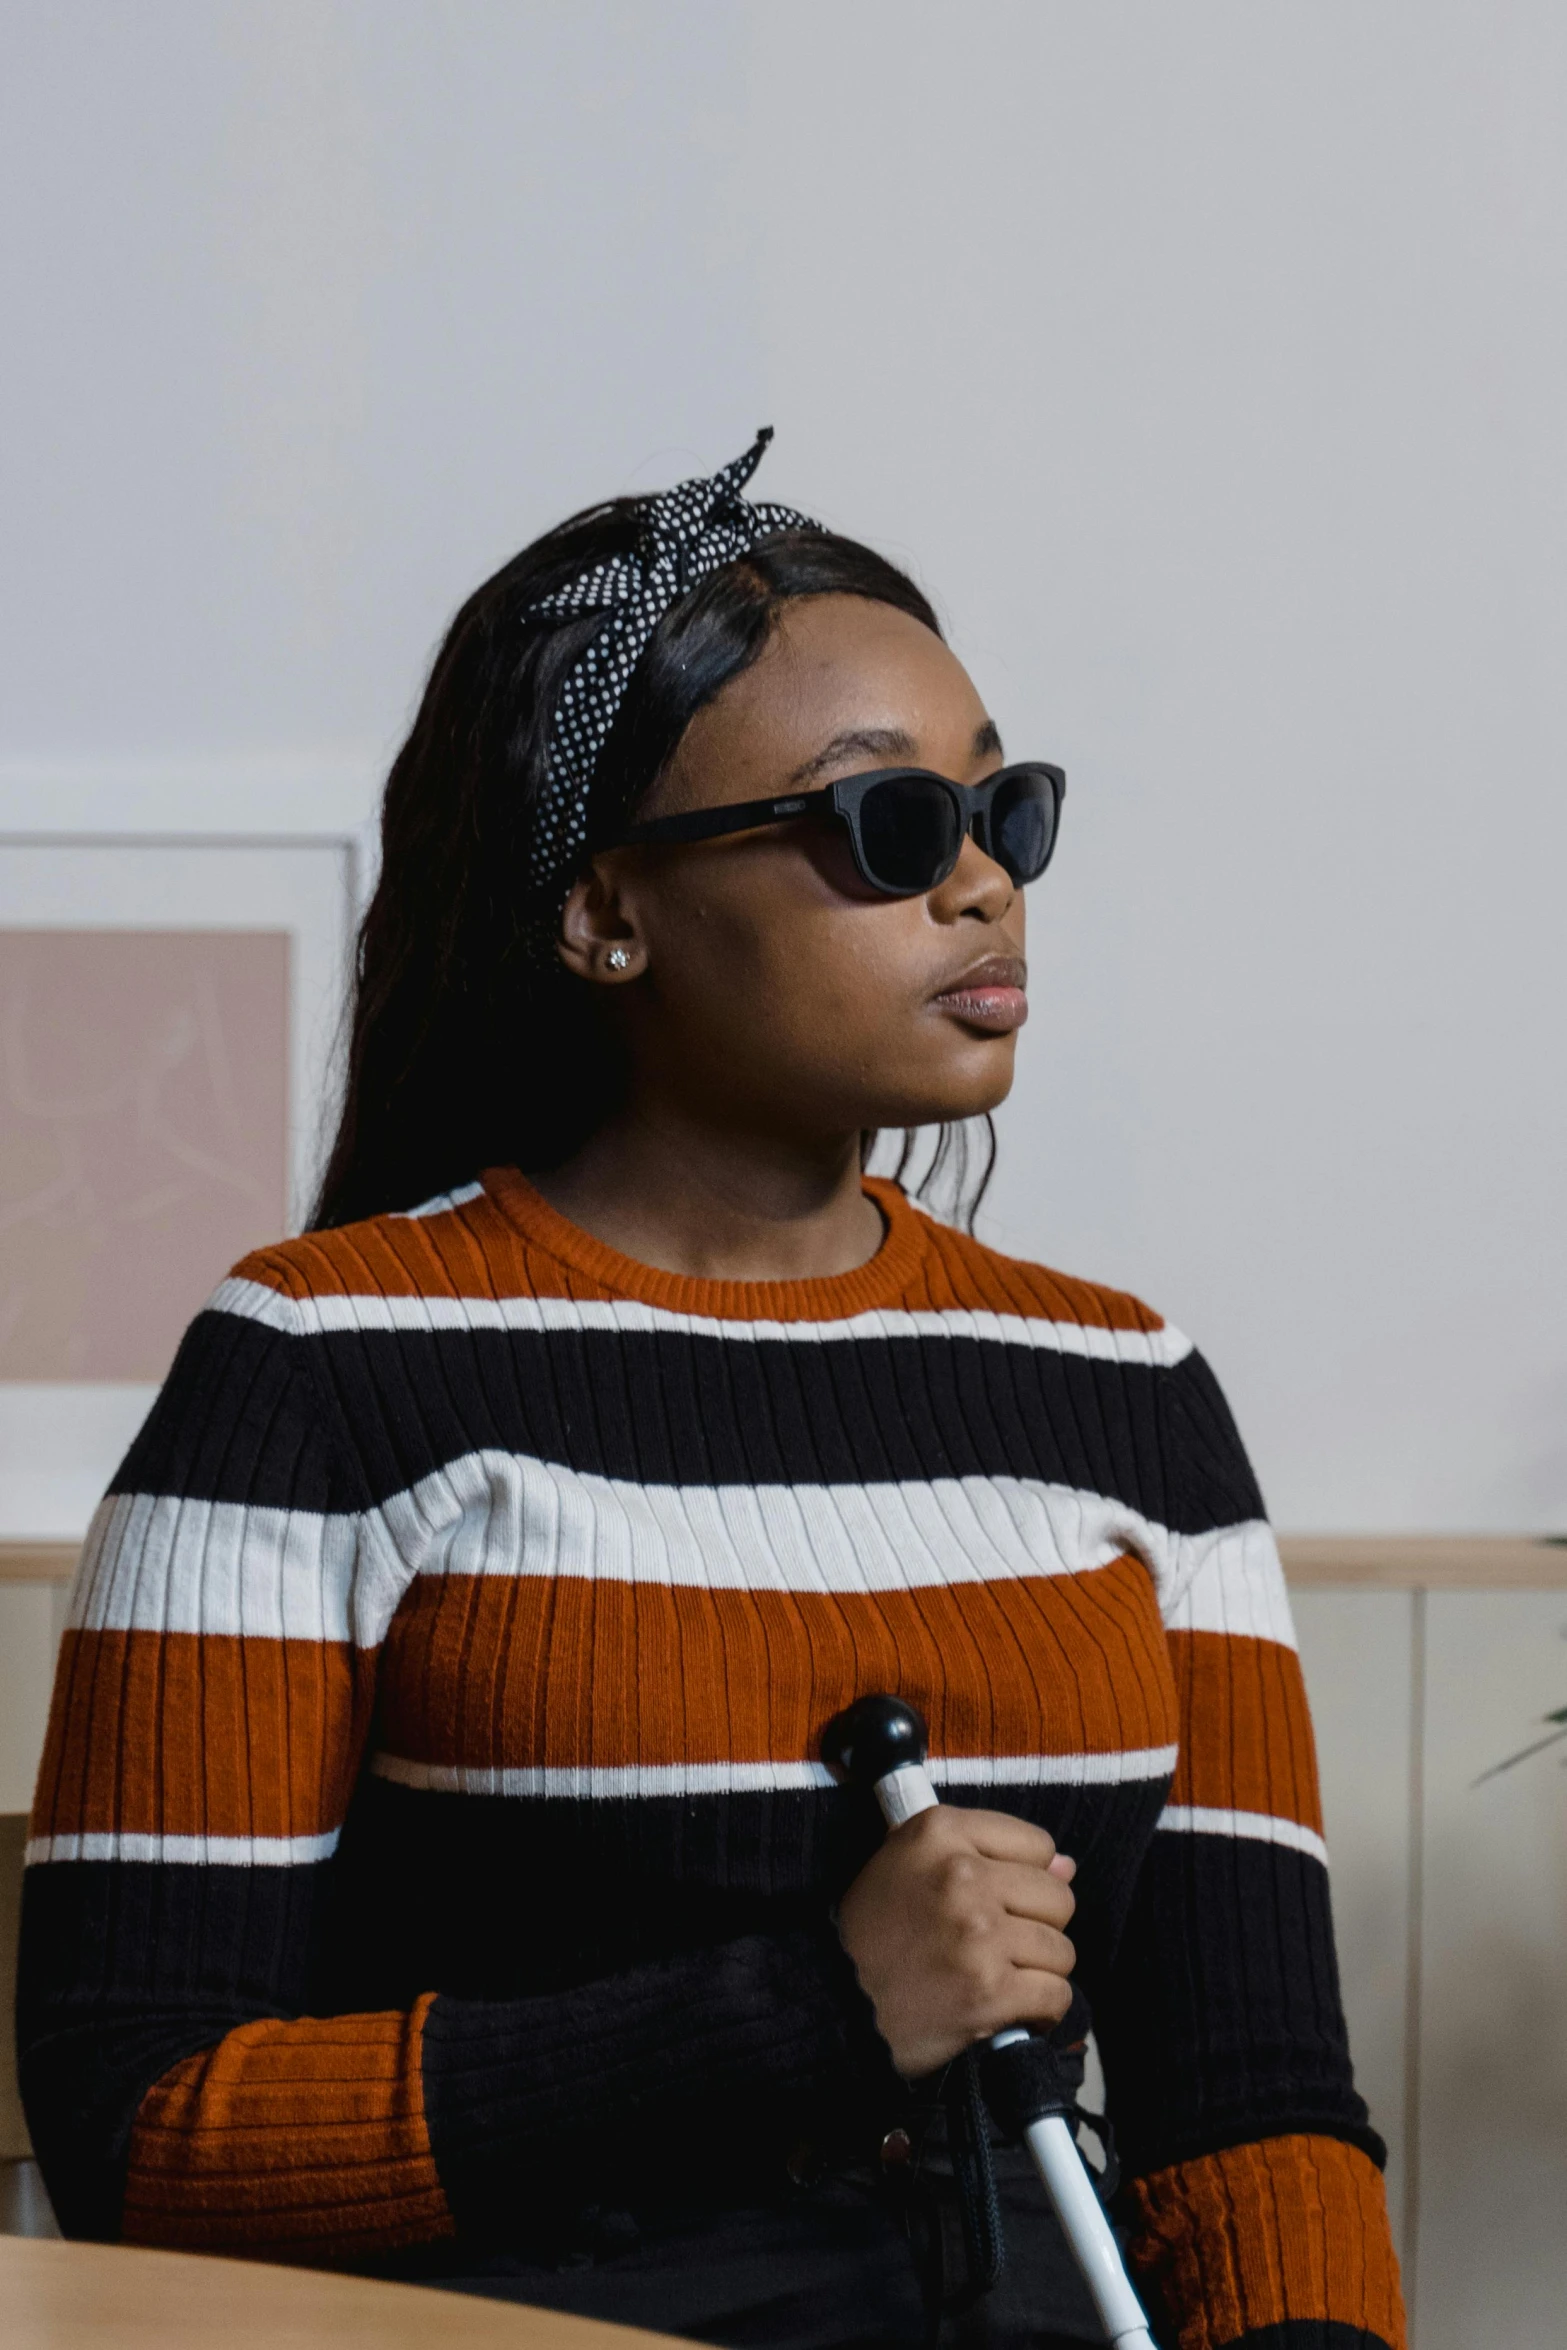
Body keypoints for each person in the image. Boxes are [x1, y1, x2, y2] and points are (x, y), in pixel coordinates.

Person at [19, 433, 1406, 2350]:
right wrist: (805, 2015)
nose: (983, 880)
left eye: (1002, 807)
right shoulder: (317, 1368)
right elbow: (138, 2125)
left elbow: (1254, 2114)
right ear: (606, 910)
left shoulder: (1123, 1386)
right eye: (886, 828)